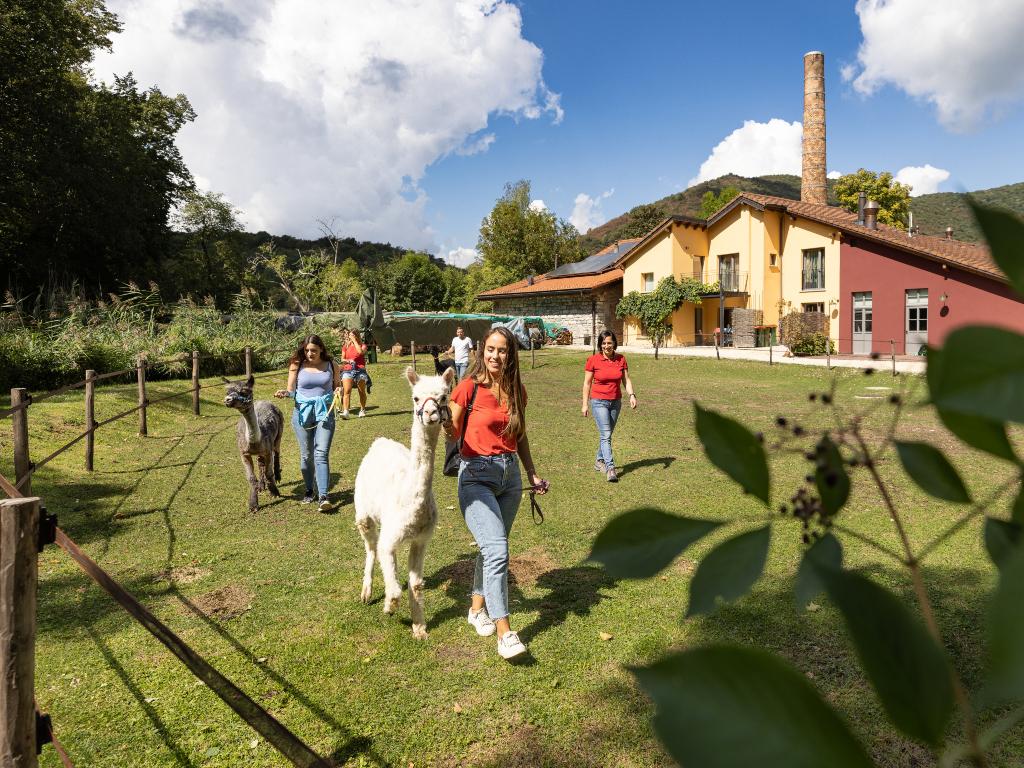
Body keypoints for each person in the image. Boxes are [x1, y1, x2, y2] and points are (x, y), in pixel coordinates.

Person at [443, 326, 548, 660]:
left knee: (491, 549)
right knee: (499, 550)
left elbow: (521, 436)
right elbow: (452, 432)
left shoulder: (516, 390)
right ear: (481, 351)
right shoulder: (467, 388)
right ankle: (505, 633)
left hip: (510, 478)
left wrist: (532, 471)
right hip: (475, 477)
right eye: (490, 349)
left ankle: (476, 610)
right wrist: (443, 419)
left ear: (511, 354)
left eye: (502, 350)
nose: (495, 356)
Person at [275, 335, 341, 512]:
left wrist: (338, 389)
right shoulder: (297, 364)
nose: (310, 353)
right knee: (306, 456)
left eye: (313, 350)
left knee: (321, 453)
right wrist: (285, 393)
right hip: (302, 414)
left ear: (321, 350)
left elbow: (336, 385)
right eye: (307, 350)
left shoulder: (331, 365)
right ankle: (310, 490)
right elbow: (291, 391)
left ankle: (324, 496)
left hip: (324, 413)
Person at [581, 330, 636, 483]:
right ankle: (610, 468)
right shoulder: (593, 360)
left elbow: (626, 380)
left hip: (615, 402)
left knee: (607, 435)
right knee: (606, 435)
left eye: (609, 343)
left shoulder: (621, 359)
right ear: (600, 345)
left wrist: (631, 395)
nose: (607, 346)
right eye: (604, 343)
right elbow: (587, 384)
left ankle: (599, 461)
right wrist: (585, 404)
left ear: (614, 344)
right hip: (598, 401)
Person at [340, 329, 370, 418]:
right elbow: (342, 359)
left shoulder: (363, 345)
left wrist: (354, 341)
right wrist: (348, 360)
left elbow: (360, 352)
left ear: (357, 336)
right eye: (350, 335)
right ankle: (346, 412)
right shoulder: (345, 346)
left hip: (360, 370)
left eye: (353, 335)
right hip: (348, 370)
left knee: (361, 391)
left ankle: (362, 410)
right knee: (347, 391)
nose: (350, 337)